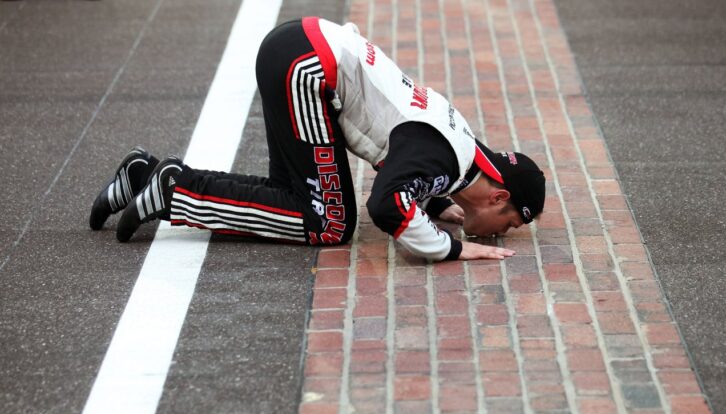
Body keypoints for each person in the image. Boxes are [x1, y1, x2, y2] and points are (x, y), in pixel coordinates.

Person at [89, 17, 545, 261]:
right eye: (507, 224)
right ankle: (175, 191)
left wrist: (431, 200)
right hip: (307, 70)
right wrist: (453, 249)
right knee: (329, 223)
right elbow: (386, 206)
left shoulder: (461, 147)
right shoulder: (445, 156)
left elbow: (412, 169)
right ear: (497, 195)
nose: (501, 234)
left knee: (293, 196)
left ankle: (141, 174)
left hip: (299, 50)